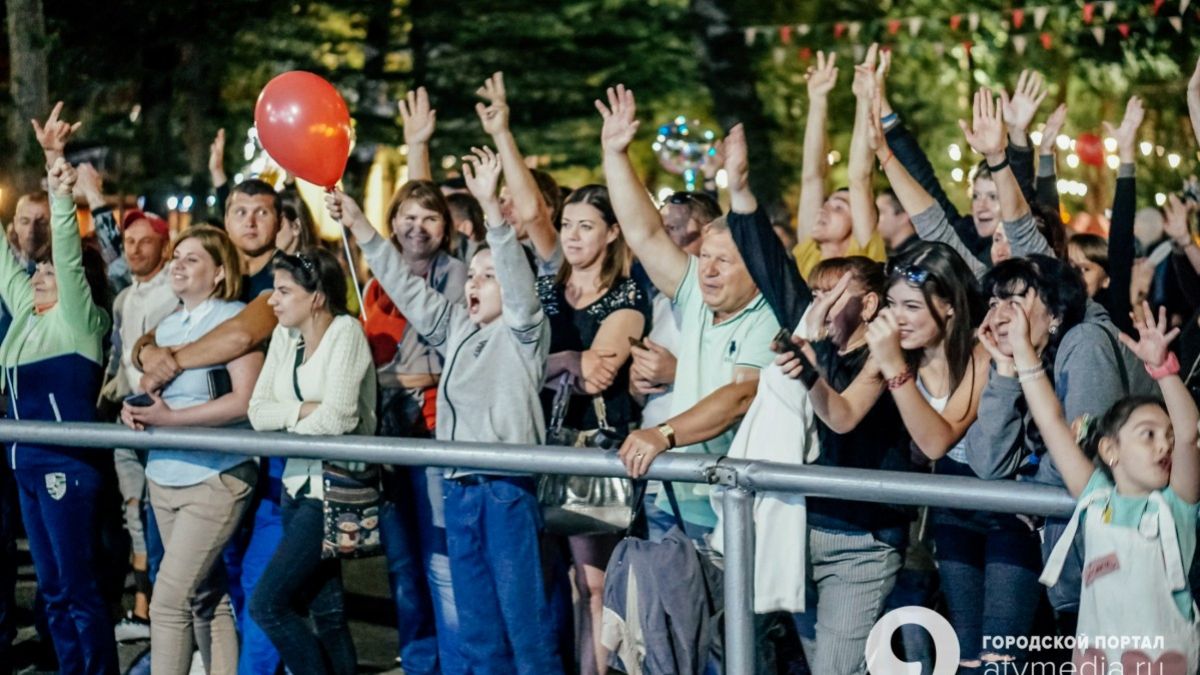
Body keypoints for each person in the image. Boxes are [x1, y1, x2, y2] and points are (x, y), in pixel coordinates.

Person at [326, 145, 562, 675]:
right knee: (477, 629)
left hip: (506, 489)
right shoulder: (457, 328)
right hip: (459, 488)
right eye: (471, 277)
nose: (474, 284)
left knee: (525, 626)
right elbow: (403, 285)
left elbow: (521, 290)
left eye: (488, 276)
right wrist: (362, 224)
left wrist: (493, 221)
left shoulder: (525, 333)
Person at [598, 87, 780, 544]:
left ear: (756, 269)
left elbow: (741, 394)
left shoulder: (769, 315)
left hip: (736, 506)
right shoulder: (697, 292)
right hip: (674, 496)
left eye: (725, 261)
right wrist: (615, 153)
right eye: (705, 258)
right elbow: (643, 232)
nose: (709, 270)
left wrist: (664, 433)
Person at [133, 177, 287, 675]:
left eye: (192, 258)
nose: (177, 264)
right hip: (164, 475)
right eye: (176, 256)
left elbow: (244, 401)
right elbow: (146, 370)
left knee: (167, 602)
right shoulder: (167, 324)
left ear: (219, 273)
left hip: (214, 477)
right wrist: (136, 407)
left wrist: (172, 418)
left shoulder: (237, 314)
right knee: (206, 596)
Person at [1003, 301, 1199, 668]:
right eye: (1148, 435)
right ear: (1110, 449)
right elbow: (1050, 421)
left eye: (1167, 436)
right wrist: (1022, 349)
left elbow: (1189, 435)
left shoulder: (1175, 507)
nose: (1164, 445)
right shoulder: (1096, 500)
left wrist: (1163, 370)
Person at [0, 158, 116, 674]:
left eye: (49, 272)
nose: (41, 274)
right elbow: (4, 262)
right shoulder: (27, 314)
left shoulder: (78, 321)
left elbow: (69, 256)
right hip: (25, 466)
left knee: (77, 588)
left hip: (64, 468)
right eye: (39, 270)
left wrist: (59, 186)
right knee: (50, 591)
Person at [368, 92, 467, 673]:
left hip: (431, 432)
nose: (417, 224)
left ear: (446, 227)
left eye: (430, 216)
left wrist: (418, 146)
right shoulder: (375, 281)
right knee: (402, 561)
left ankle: (455, 660)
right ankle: (419, 657)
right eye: (407, 214)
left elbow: (453, 353)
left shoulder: (455, 276)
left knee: (439, 558)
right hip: (386, 432)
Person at [248, 248, 375, 675]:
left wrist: (288, 419)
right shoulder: (285, 337)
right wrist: (303, 411)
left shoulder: (346, 332)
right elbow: (257, 412)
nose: (273, 300)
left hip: (333, 488)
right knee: (328, 611)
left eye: (284, 291)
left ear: (316, 296)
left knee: (267, 604)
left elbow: (340, 417)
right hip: (296, 486)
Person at [538, 184, 647, 675]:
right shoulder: (544, 290)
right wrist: (565, 358)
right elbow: (517, 365)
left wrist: (554, 362)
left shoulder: (625, 295)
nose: (573, 236)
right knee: (568, 577)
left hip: (597, 445)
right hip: (545, 442)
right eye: (567, 225)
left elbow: (596, 375)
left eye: (586, 226)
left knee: (595, 581)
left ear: (612, 233)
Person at [101, 209, 177, 642]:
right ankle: (144, 609)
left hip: (164, 419)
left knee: (160, 516)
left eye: (144, 241)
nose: (134, 248)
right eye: (129, 241)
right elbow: (118, 354)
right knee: (135, 514)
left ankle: (162, 611)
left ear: (164, 247)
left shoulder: (173, 292)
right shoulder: (125, 299)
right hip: (127, 418)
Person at [792, 50, 886, 280]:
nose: (823, 209)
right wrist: (817, 100)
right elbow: (812, 177)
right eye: (827, 203)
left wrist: (864, 100)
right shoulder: (809, 254)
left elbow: (860, 178)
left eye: (839, 207)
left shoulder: (863, 256)